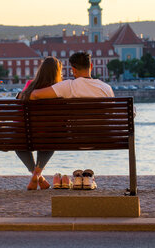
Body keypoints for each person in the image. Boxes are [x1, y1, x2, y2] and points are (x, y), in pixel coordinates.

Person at [23, 51, 114, 190]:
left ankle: (37, 175)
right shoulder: (106, 88)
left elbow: (34, 95)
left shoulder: (68, 86)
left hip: (73, 138)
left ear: (73, 70)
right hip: (103, 137)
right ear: (91, 65)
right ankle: (38, 175)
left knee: (52, 133)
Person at [16, 56, 63, 190]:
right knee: (50, 138)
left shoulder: (29, 86)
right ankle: (38, 175)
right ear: (57, 72)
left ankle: (35, 175)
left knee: (18, 143)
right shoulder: (58, 89)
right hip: (48, 136)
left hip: (25, 135)